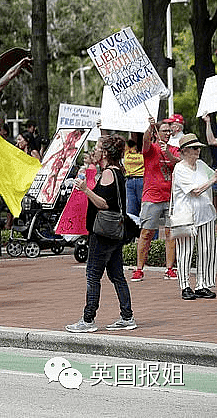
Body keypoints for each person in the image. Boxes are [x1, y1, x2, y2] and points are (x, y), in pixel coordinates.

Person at [66, 135, 137, 332]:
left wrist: (86, 190)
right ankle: (127, 316)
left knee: (92, 275)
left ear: (105, 153)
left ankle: (88, 320)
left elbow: (105, 204)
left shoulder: (108, 173)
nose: (94, 151)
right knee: (117, 275)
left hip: (103, 232)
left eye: (97, 148)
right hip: (114, 232)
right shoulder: (117, 171)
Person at [169, 134, 217, 300]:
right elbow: (195, 191)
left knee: (207, 250)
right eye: (195, 148)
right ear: (184, 151)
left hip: (206, 214)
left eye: (198, 148)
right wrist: (213, 180)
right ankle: (185, 286)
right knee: (185, 251)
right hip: (186, 217)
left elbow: (213, 175)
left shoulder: (202, 165)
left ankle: (202, 284)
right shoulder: (180, 169)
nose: (198, 151)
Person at [133, 117, 179, 282]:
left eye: (169, 131)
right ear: (157, 133)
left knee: (170, 233)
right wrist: (149, 126)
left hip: (170, 197)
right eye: (164, 130)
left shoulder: (174, 149)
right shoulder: (151, 149)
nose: (167, 133)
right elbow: (144, 140)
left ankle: (169, 269)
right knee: (146, 233)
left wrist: (166, 152)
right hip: (152, 197)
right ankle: (139, 269)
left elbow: (178, 162)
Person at [122, 138, 144, 218]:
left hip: (142, 180)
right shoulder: (128, 146)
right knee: (131, 211)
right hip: (129, 181)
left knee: (144, 210)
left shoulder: (145, 146)